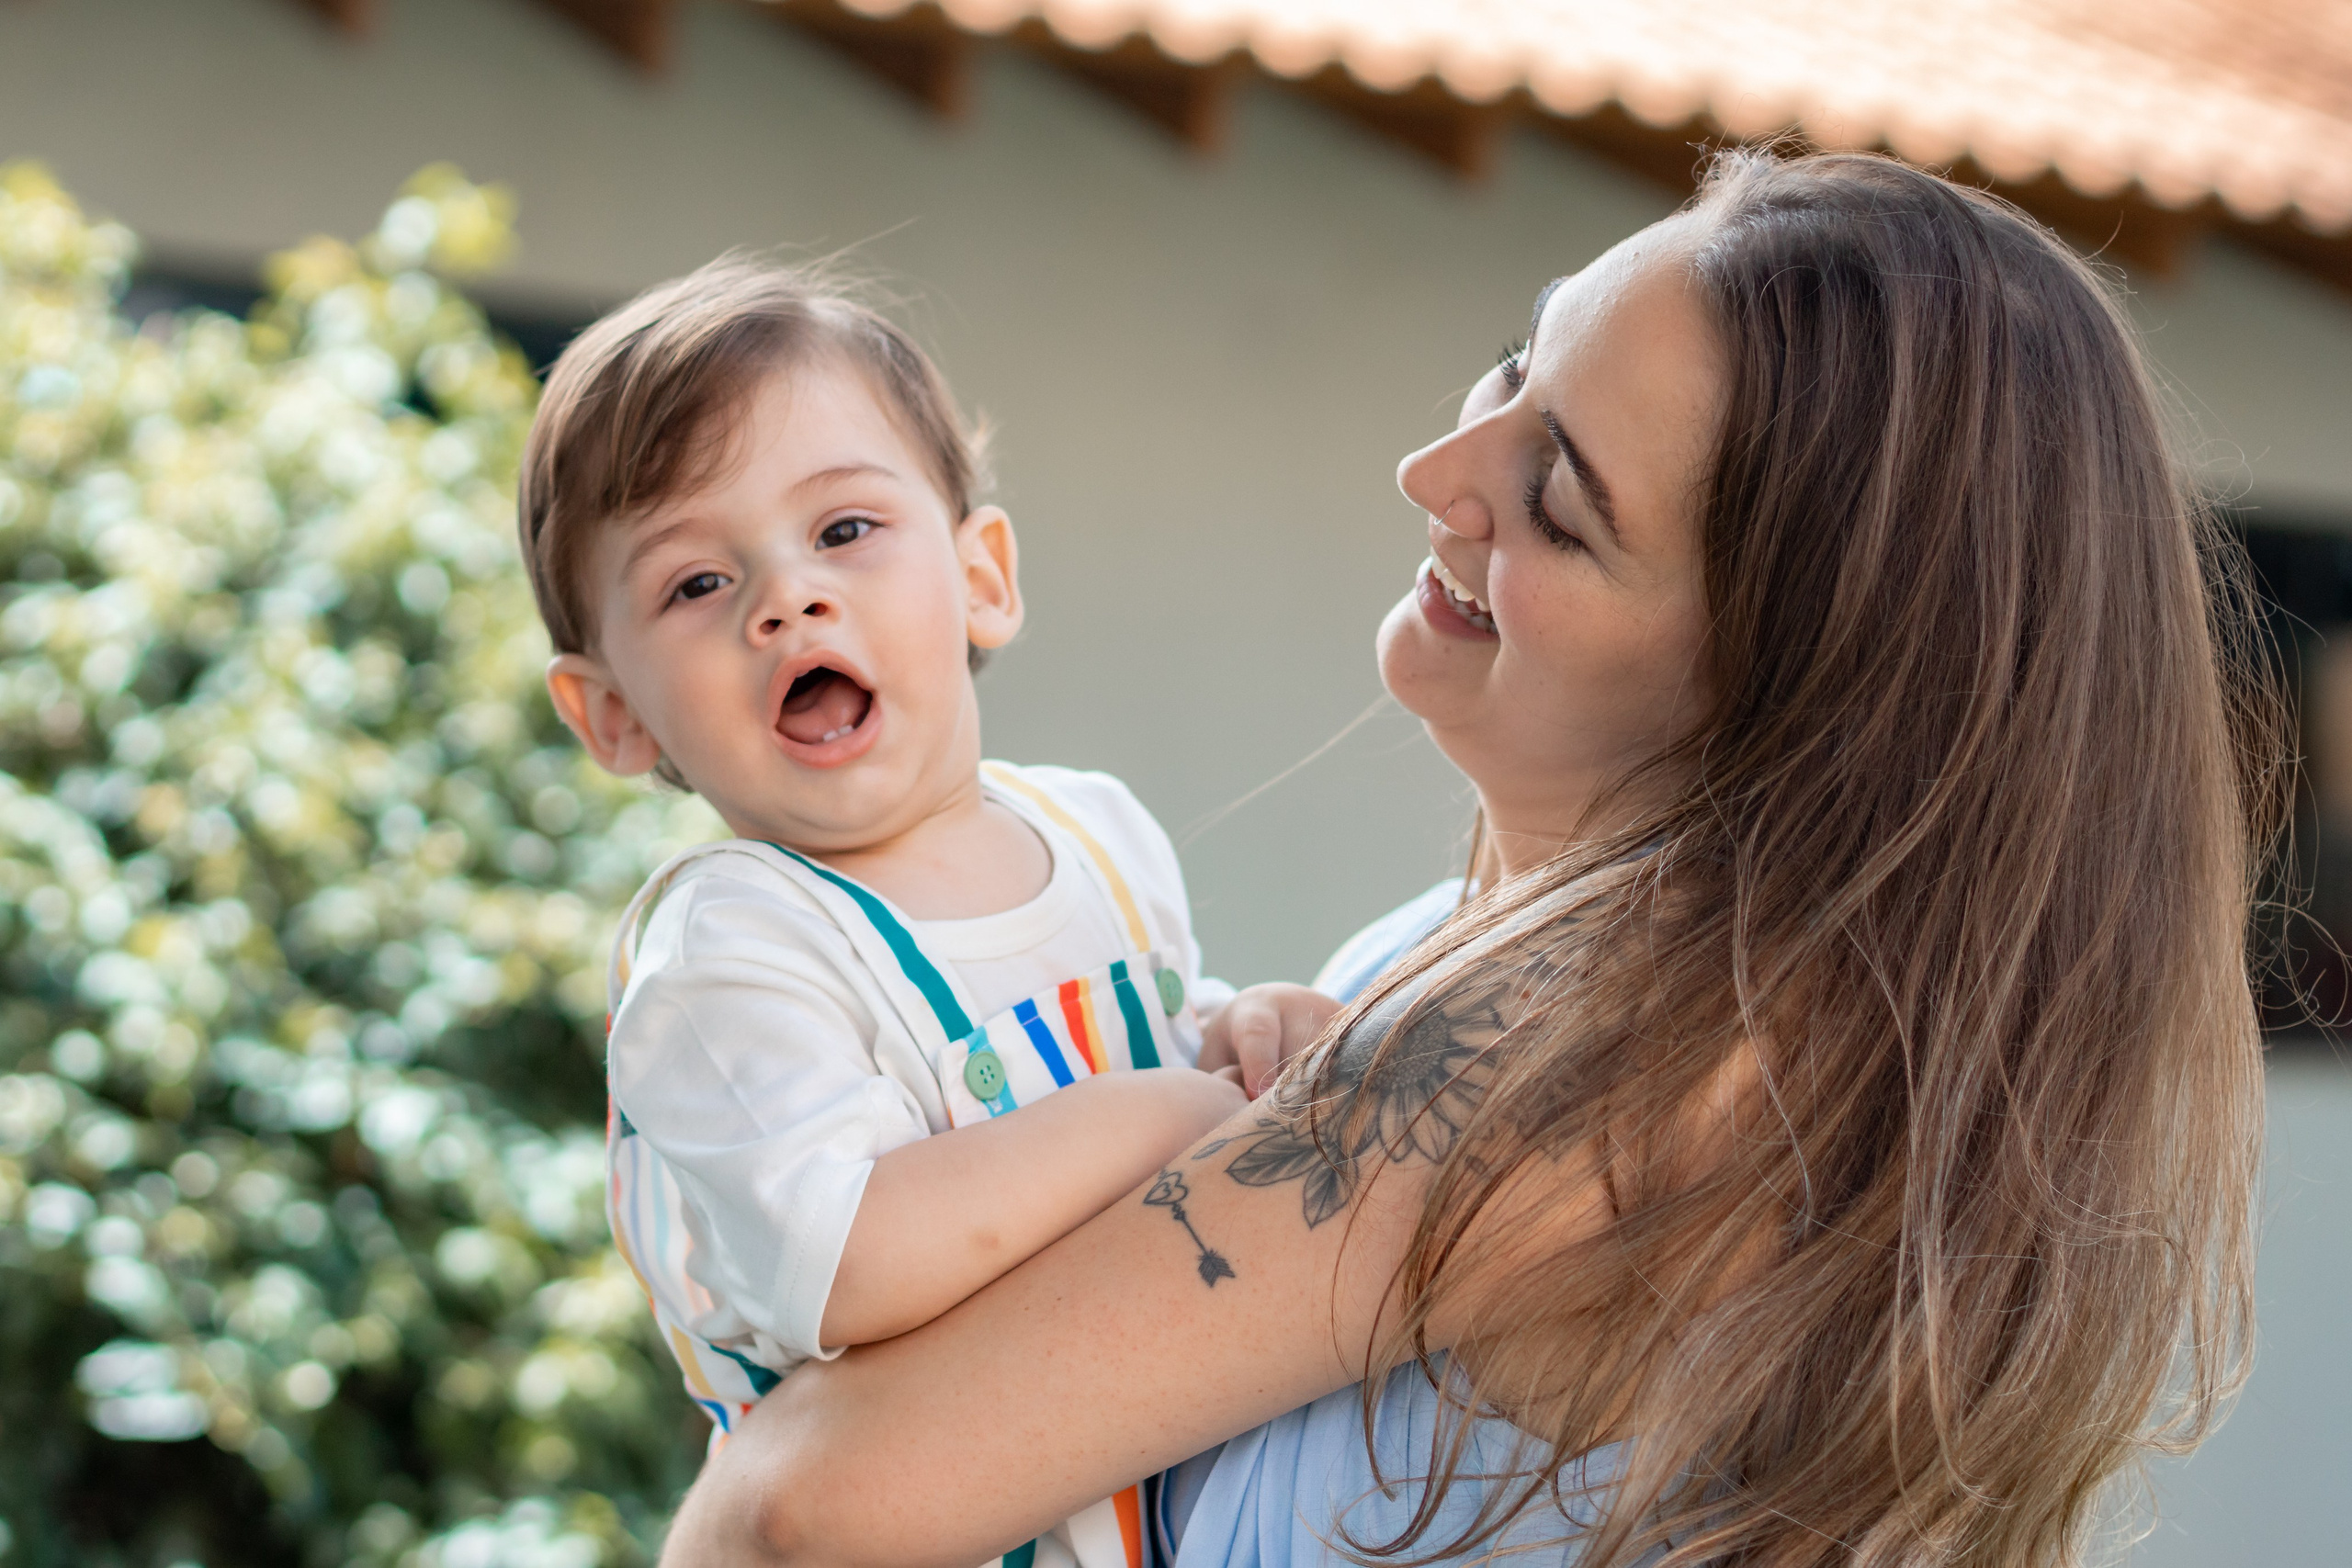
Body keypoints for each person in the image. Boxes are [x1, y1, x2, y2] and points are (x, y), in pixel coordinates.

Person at [658, 150, 2287, 1568]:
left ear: (1796, 685)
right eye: (1513, 368)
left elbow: (798, 1515)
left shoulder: (1630, 1060)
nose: (1438, 477)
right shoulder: (1451, 950)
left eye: (1562, 502)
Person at [514, 259, 1336, 1568]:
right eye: (695, 585)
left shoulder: (1097, 833)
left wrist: (1241, 1033)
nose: (787, 599)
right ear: (613, 713)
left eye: (843, 532)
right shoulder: (727, 952)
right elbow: (849, 1257)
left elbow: (1156, 1050)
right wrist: (1182, 1114)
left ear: (983, 580)